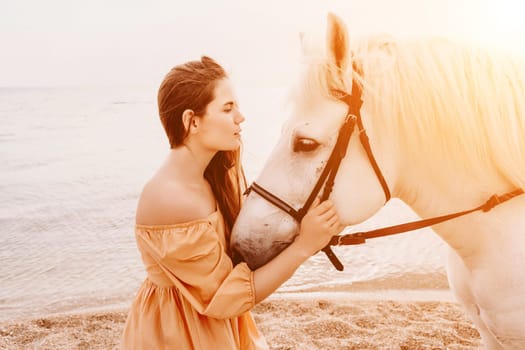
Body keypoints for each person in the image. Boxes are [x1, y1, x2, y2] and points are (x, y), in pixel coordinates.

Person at [121, 56, 342, 349]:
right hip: (177, 331)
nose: (241, 117)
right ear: (192, 121)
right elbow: (225, 299)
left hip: (214, 325)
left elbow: (241, 261)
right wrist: (304, 245)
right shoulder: (169, 197)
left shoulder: (217, 172)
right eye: (228, 108)